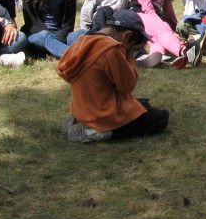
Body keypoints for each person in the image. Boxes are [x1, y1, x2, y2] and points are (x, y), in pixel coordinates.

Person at [57, 9, 170, 143]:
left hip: (83, 107)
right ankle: (95, 132)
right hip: (101, 115)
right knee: (160, 118)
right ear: (126, 36)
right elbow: (127, 86)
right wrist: (129, 55)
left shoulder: (82, 41)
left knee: (143, 104)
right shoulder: (111, 50)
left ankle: (79, 120)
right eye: (133, 46)